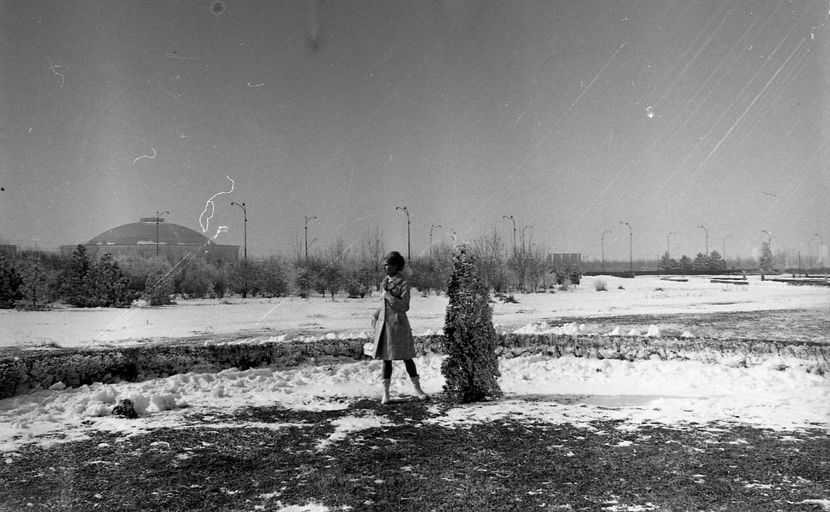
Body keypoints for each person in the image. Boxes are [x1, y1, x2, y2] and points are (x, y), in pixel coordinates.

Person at [369, 251, 427, 404]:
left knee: (407, 357)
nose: (385, 267)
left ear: (397, 266)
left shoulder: (403, 283)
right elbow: (384, 305)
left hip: (399, 325)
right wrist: (375, 314)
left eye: (388, 264)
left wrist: (389, 296)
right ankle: (386, 393)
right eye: (384, 265)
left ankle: (417, 389)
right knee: (386, 360)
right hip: (384, 326)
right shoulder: (385, 282)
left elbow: (405, 306)